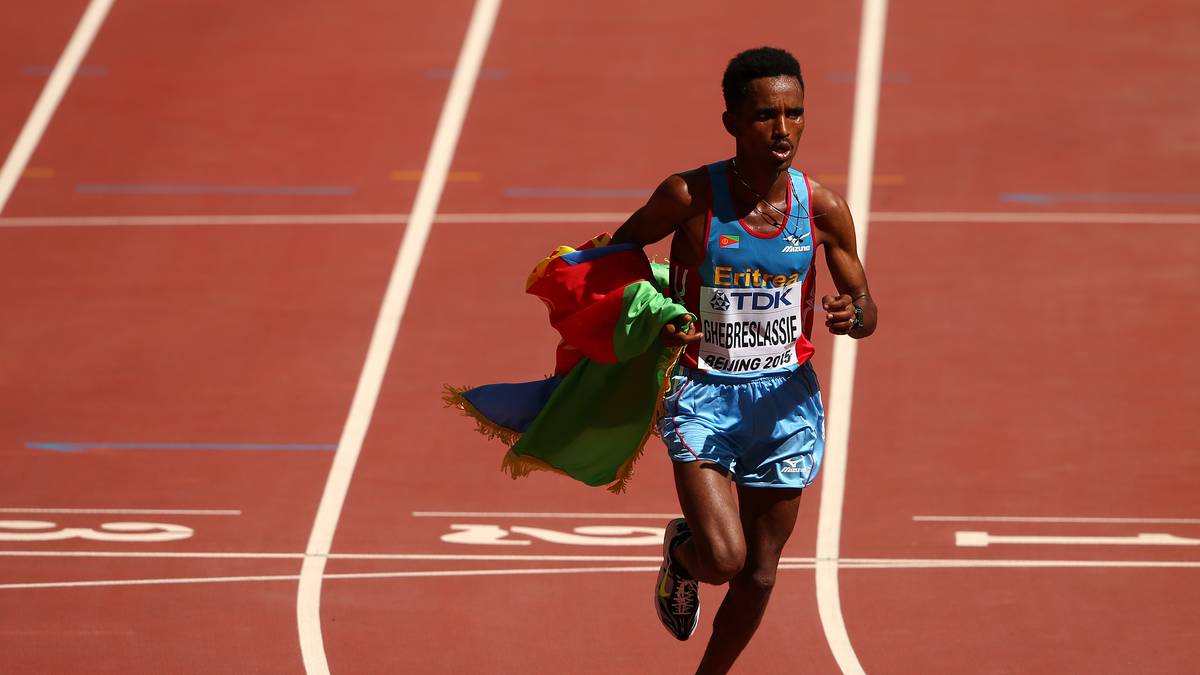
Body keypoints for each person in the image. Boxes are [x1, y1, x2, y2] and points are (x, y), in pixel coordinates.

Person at [610, 46, 878, 674]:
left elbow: (865, 306)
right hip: (701, 392)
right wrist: (658, 313)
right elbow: (617, 255)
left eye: (794, 113)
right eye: (764, 115)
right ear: (731, 121)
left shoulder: (824, 209)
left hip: (786, 400)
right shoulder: (689, 196)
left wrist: (854, 317)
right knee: (724, 558)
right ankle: (683, 552)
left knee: (758, 574)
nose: (782, 130)